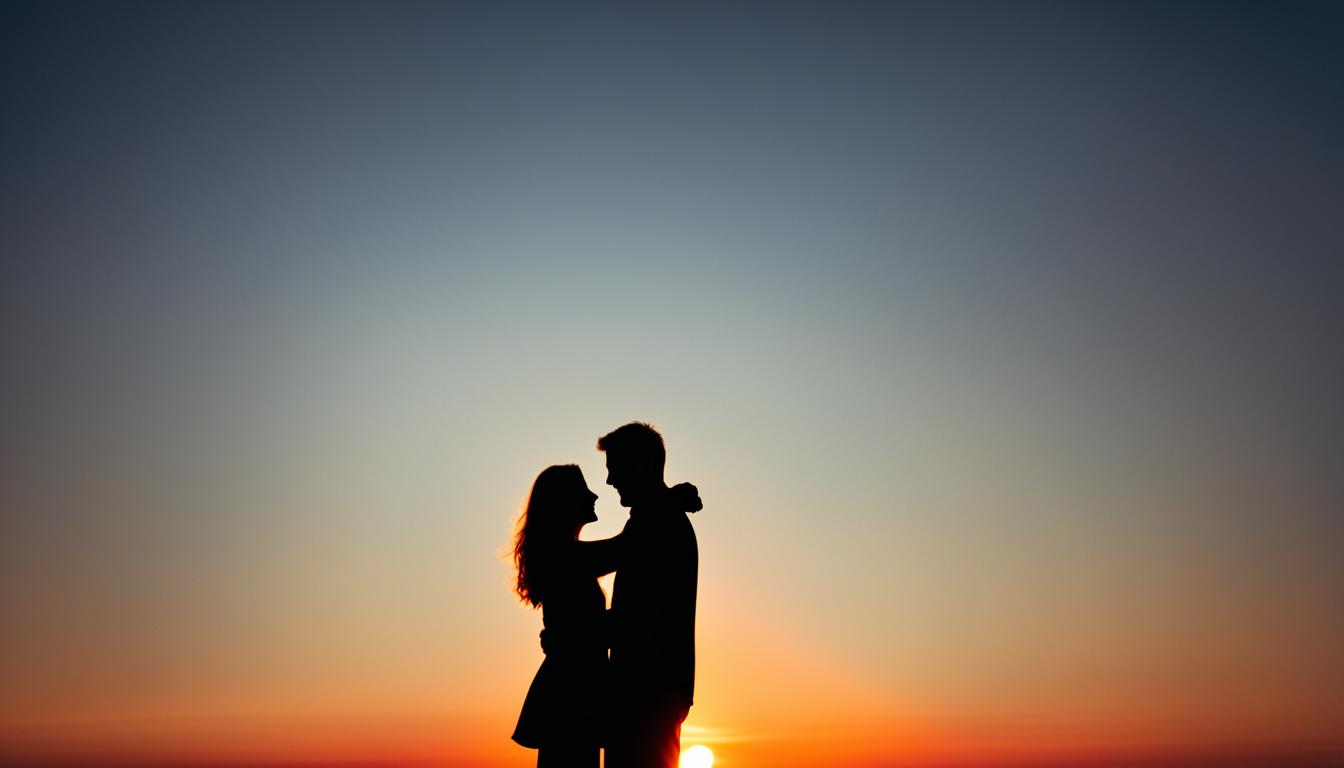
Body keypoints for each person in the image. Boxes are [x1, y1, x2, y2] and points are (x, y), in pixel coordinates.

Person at [510, 462, 701, 768]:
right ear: (565, 502)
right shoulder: (566, 557)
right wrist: (666, 501)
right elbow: (626, 548)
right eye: (583, 489)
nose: (594, 493)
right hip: (570, 695)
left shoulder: (566, 555)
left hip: (575, 690)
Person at [599, 422, 700, 768]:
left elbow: (640, 615)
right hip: (653, 692)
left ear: (639, 465)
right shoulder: (657, 518)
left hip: (645, 694)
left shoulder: (658, 523)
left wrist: (573, 633)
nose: (610, 481)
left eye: (615, 469)